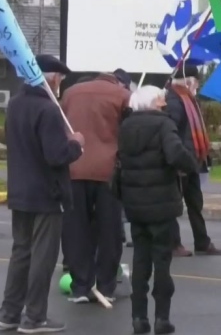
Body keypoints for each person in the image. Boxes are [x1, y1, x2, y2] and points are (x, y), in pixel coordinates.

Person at [0, 55, 84, 334]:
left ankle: (9, 312)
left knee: (21, 253)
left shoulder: (16, 104)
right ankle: (34, 317)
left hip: (20, 191)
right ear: (52, 78)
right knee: (42, 258)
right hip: (47, 194)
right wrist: (77, 146)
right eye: (60, 79)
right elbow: (56, 155)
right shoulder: (48, 110)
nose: (60, 84)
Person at [115, 86, 199, 335]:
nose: (165, 104)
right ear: (154, 103)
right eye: (161, 101)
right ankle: (162, 317)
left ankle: (138, 317)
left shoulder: (126, 127)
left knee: (140, 260)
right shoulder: (164, 126)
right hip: (161, 204)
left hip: (134, 203)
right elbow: (175, 153)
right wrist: (191, 164)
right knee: (162, 262)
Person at [60, 70, 132, 304]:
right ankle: (106, 285)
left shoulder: (70, 93)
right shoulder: (122, 94)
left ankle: (80, 286)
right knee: (109, 231)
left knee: (76, 230)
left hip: (74, 168)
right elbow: (128, 133)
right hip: (108, 171)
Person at [165, 65, 221, 257]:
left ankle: (202, 241)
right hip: (180, 163)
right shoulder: (173, 101)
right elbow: (171, 133)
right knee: (175, 204)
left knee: (195, 204)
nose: (197, 85)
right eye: (196, 82)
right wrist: (178, 158)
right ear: (188, 82)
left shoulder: (188, 99)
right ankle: (173, 243)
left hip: (192, 162)